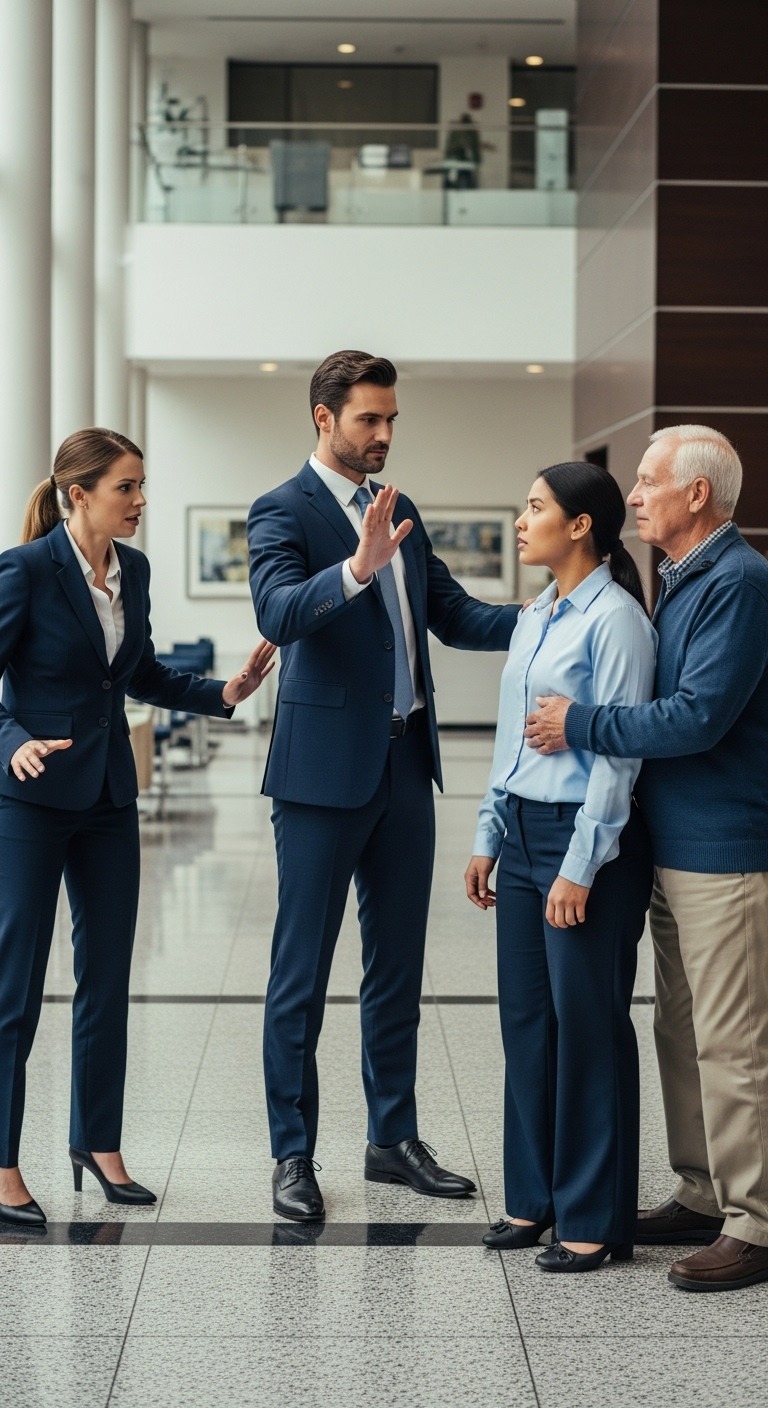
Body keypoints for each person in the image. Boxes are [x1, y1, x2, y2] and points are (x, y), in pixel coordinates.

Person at [247, 350, 518, 1221]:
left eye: (392, 419)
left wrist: (562, 612)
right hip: (321, 778)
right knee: (302, 971)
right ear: (323, 417)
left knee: (397, 968)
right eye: (370, 419)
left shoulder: (400, 513)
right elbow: (279, 613)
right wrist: (358, 570)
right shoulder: (280, 511)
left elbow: (457, 615)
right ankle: (292, 1154)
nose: (385, 434)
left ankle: (390, 1139)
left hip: (406, 765)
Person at [0, 428, 275, 1228]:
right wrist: (12, 742)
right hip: (30, 801)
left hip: (110, 798)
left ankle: (99, 1143)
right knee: (14, 991)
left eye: (143, 485)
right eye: (128, 487)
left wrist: (223, 692)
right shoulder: (23, 572)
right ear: (78, 495)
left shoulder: (135, 573)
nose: (142, 500)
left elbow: (143, 672)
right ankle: (5, 1165)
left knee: (108, 979)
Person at [524, 425, 768, 1292]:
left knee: (732, 1041)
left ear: (696, 495)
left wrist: (579, 722)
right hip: (674, 847)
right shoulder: (683, 577)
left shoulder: (738, 581)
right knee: (682, 1029)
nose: (632, 495)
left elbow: (698, 715)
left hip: (725, 849)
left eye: (648, 481)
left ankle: (756, 1218)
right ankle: (703, 1192)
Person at [465, 461, 656, 1272]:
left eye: (535, 506)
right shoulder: (538, 612)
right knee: (527, 1026)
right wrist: (487, 834)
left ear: (581, 525)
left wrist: (581, 864)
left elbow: (618, 756)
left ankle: (592, 1217)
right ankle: (531, 1201)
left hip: (590, 845)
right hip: (523, 835)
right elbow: (512, 737)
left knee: (589, 1029)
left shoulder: (615, 620)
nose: (522, 519)